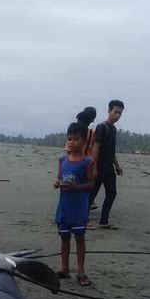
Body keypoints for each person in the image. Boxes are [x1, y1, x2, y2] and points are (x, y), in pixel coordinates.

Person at [54, 122, 95, 286]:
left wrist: (77, 187)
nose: (72, 142)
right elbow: (59, 178)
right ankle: (64, 269)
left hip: (79, 208)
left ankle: (81, 271)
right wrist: (57, 183)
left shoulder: (88, 162)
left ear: (84, 142)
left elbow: (91, 184)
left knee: (79, 238)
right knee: (64, 238)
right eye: (69, 139)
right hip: (64, 207)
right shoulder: (62, 160)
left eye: (76, 139)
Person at [89, 100, 125, 228]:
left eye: (120, 113)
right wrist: (93, 167)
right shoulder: (101, 127)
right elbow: (96, 148)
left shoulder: (114, 129)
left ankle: (104, 221)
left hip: (109, 167)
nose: (117, 115)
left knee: (112, 193)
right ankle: (81, 219)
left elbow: (111, 150)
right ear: (109, 111)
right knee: (92, 194)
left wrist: (117, 165)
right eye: (115, 112)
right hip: (99, 167)